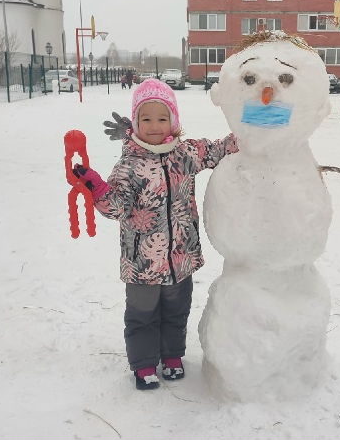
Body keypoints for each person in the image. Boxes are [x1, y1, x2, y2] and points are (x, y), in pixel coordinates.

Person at [72, 79, 238, 390]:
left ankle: (172, 356)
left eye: (162, 118)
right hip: (143, 264)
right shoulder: (129, 165)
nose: (154, 126)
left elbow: (219, 150)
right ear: (134, 123)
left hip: (181, 258)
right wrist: (96, 186)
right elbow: (116, 208)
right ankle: (145, 363)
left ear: (173, 122)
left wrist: (253, 132)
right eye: (146, 119)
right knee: (143, 314)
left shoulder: (185, 153)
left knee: (177, 311)